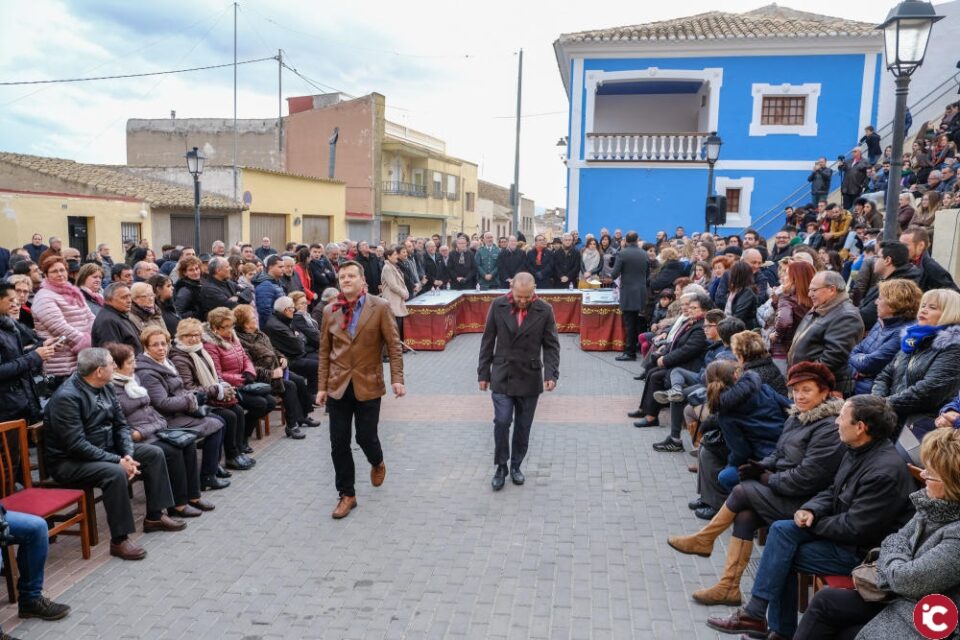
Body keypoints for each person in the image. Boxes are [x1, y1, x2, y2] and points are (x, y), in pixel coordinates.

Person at [705, 395, 915, 639]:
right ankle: (760, 618)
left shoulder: (884, 471)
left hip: (861, 552)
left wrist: (813, 522)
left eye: (842, 417)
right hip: (843, 533)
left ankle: (769, 624)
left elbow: (857, 529)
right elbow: (832, 490)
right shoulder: (858, 449)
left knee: (782, 556)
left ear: (861, 427)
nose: (836, 422)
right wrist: (811, 509)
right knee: (781, 531)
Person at [669, 362, 845, 606]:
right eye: (795, 390)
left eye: (807, 390)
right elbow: (779, 451)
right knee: (745, 515)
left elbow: (807, 478)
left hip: (809, 503)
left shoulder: (827, 427)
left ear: (824, 393)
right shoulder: (799, 415)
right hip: (785, 484)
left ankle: (705, 539)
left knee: (740, 489)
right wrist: (761, 466)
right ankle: (728, 587)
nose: (799, 396)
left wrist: (764, 476)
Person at [795, 427, 960, 640]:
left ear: (953, 484)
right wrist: (898, 559)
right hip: (899, 597)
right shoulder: (933, 505)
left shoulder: (954, 533)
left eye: (931, 474)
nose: (923, 475)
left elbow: (906, 579)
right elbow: (894, 539)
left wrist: (895, 560)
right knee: (826, 601)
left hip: (927, 617)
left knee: (842, 630)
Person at [44, 348, 183, 561]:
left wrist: (127, 454)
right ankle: (119, 540)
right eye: (111, 364)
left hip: (106, 449)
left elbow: (121, 425)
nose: (115, 367)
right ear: (99, 371)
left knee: (154, 453)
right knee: (115, 473)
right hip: (69, 462)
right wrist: (118, 461)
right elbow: (76, 445)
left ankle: (155, 516)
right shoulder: (67, 398)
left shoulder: (105, 386)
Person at [317, 261, 405, 519]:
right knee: (338, 443)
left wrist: (397, 378)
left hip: (368, 383)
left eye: (351, 275)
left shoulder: (379, 306)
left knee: (366, 438)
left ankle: (377, 461)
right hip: (338, 386)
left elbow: (394, 344)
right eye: (342, 276)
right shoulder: (330, 309)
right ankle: (347, 495)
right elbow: (324, 351)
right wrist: (321, 387)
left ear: (362, 280)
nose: (345, 279)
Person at [107, 342, 214, 520]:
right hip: (136, 437)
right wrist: (152, 427)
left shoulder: (133, 380)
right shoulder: (113, 388)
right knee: (172, 450)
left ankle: (192, 496)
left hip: (150, 429)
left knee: (186, 442)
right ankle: (177, 505)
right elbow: (123, 425)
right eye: (130, 362)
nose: (135, 366)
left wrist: (158, 424)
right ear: (116, 367)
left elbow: (150, 410)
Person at [478, 272, 560, 490]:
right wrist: (483, 374)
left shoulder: (545, 309)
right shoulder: (497, 305)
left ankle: (516, 465)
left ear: (534, 290)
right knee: (502, 421)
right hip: (503, 373)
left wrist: (551, 374)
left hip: (530, 376)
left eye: (527, 296)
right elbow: (488, 340)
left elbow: (551, 345)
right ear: (511, 288)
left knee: (523, 427)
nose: (523, 301)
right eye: (519, 296)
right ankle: (501, 465)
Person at [135, 326, 228, 491]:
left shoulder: (166, 362)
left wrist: (194, 395)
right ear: (146, 347)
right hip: (167, 419)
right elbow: (161, 403)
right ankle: (207, 475)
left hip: (180, 410)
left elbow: (180, 389)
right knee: (216, 424)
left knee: (220, 419)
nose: (161, 348)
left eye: (164, 343)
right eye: (155, 345)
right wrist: (191, 399)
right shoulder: (147, 372)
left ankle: (211, 469)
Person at [872, 288, 960, 447]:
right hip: (889, 418)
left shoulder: (954, 346)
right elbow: (885, 375)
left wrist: (880, 405)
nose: (924, 310)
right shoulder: (912, 339)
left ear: (950, 313)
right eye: (924, 305)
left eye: (932, 307)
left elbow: (928, 390)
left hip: (919, 427)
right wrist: (877, 401)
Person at [167, 318, 253, 472]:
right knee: (228, 416)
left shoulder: (200, 350)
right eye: (188, 335)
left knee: (238, 410)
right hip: (197, 403)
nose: (193, 338)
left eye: (197, 335)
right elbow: (189, 388)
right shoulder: (179, 357)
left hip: (210, 394)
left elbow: (215, 375)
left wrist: (223, 385)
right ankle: (225, 460)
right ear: (180, 337)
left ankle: (237, 453)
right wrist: (217, 389)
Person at [233, 304, 318, 436]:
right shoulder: (241, 341)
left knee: (300, 380)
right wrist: (271, 374)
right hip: (263, 377)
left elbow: (273, 349)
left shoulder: (259, 333)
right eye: (253, 318)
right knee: (290, 386)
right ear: (245, 324)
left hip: (277, 369)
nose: (256, 318)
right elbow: (248, 366)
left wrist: (281, 357)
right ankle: (291, 425)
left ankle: (302, 416)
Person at [633, 293, 709, 429]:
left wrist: (666, 360)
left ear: (704, 310)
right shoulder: (691, 322)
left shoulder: (701, 328)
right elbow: (676, 342)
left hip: (690, 366)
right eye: (688, 307)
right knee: (651, 371)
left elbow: (688, 350)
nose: (689, 310)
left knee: (656, 375)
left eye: (694, 308)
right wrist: (664, 353)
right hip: (682, 361)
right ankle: (644, 410)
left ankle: (652, 417)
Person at [787, 271, 864, 396]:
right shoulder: (822, 307)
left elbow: (834, 357)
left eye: (814, 290)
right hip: (807, 385)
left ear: (832, 290)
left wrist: (805, 377)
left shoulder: (846, 316)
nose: (809, 294)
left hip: (822, 388)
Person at [849, 279, 922, 395]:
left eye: (880, 298)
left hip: (872, 393)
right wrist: (858, 367)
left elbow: (868, 364)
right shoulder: (882, 322)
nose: (876, 302)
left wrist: (857, 362)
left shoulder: (903, 333)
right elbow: (857, 349)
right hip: (857, 384)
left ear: (894, 304)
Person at [32, 257, 96, 384]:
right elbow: (59, 327)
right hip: (61, 364)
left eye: (62, 270)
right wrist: (87, 342)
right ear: (45, 275)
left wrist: (95, 334)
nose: (60, 274)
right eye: (54, 271)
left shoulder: (73, 291)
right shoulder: (44, 296)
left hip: (81, 360)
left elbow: (90, 316)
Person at [858, 241, 922, 331]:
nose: (875, 260)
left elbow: (868, 317)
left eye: (878, 257)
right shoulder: (890, 279)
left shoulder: (897, 287)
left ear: (887, 260)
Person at [769, 260, 815, 375]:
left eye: (787, 274)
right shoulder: (815, 297)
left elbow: (784, 321)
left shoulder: (787, 297)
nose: (784, 277)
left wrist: (776, 335)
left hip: (786, 349)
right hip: (810, 348)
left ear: (794, 277)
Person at [611, 232, 649, 362]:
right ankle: (637, 348)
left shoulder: (622, 253)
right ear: (637, 240)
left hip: (628, 292)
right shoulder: (644, 253)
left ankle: (629, 352)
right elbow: (647, 274)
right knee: (639, 322)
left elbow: (614, 274)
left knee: (629, 324)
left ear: (626, 240)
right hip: (641, 291)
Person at [900, 226, 959, 292]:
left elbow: (954, 294)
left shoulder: (931, 268)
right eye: (900, 245)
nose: (901, 249)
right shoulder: (904, 263)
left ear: (921, 246)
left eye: (905, 245)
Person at [91, 283, 141, 354]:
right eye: (124, 297)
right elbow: (113, 354)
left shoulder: (119, 315)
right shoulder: (108, 322)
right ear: (109, 300)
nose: (129, 300)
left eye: (130, 296)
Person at [724, 261, 759, 330]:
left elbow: (738, 316)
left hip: (742, 331)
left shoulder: (747, 292)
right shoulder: (734, 290)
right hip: (731, 327)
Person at [254, 255, 285, 327]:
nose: (283, 269)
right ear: (270, 267)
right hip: (271, 328)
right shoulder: (266, 285)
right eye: (280, 267)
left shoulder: (277, 282)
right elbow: (264, 311)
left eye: (283, 266)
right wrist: (277, 326)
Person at [173, 256, 204, 320]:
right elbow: (178, 312)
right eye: (191, 270)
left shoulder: (198, 283)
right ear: (184, 273)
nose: (195, 272)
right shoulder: (185, 290)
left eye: (197, 268)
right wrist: (195, 313)